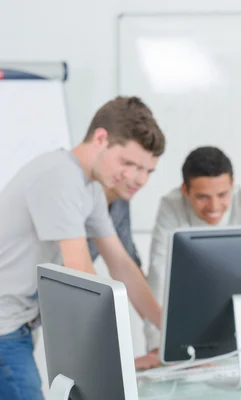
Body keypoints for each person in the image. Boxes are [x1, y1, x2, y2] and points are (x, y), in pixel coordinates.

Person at [0, 96, 165, 400]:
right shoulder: (60, 176)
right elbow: (82, 278)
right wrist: (120, 359)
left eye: (145, 170)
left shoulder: (90, 187)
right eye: (127, 163)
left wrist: (168, 333)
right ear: (101, 139)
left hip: (17, 325)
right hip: (4, 328)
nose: (134, 177)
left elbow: (122, 265)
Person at [144, 146, 241, 353]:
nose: (214, 206)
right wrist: (157, 345)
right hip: (191, 315)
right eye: (203, 197)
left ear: (232, 184)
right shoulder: (171, 206)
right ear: (185, 191)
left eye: (222, 194)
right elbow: (160, 274)